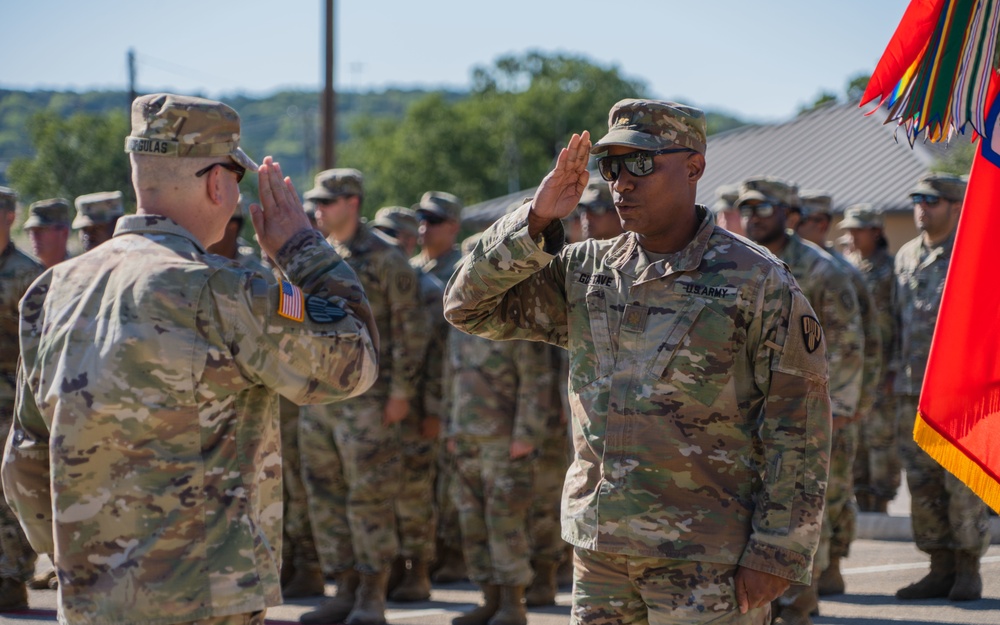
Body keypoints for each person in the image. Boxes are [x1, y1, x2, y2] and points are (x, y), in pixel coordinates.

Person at [444, 99, 832, 625]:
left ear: (693, 166)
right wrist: (535, 221)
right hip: (601, 549)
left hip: (705, 555)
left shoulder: (755, 279)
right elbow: (466, 306)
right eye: (611, 166)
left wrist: (777, 550)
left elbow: (799, 426)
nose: (621, 182)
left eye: (642, 163)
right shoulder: (586, 268)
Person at [2, 93, 379, 625]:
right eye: (237, 180)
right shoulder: (224, 291)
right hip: (204, 601)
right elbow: (355, 356)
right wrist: (302, 247)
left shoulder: (52, 289)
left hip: (90, 602)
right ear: (215, 183)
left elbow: (24, 462)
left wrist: (87, 561)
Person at [299, 169, 428, 625]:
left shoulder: (387, 260)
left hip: (370, 401)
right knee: (325, 495)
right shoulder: (321, 254)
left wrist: (401, 393)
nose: (318, 210)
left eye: (326, 202)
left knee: (369, 497)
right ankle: (344, 587)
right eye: (316, 202)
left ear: (352, 203)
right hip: (322, 400)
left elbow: (411, 332)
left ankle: (373, 593)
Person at [738, 178, 863, 625]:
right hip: (749, 411)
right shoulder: (736, 261)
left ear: (790, 216)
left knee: (800, 510)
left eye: (763, 208)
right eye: (746, 208)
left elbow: (848, 343)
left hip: (808, 410)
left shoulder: (823, 270)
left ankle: (798, 609)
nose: (753, 216)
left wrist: (842, 408)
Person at [446, 234, 558, 625]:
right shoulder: (458, 318)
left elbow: (536, 380)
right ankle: (489, 597)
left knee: (505, 521)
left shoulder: (516, 315)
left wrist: (526, 435)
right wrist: (451, 426)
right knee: (471, 520)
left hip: (504, 440)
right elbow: (452, 376)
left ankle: (513, 603)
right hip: (467, 437)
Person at [892, 174, 989, 602]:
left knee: (961, 484)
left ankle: (968, 567)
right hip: (912, 390)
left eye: (931, 200)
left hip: (963, 394)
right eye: (916, 199)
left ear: (955, 206)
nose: (921, 207)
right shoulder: (905, 256)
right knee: (922, 483)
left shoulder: (977, 254)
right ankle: (939, 567)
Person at [795, 191, 882, 597]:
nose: (804, 226)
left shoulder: (838, 271)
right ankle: (815, 571)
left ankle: (830, 566)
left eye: (812, 218)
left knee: (833, 492)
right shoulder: (789, 264)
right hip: (800, 405)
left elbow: (867, 342)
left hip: (835, 405)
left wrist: (853, 405)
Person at [372, 204, 446, 601]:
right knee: (380, 491)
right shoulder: (377, 282)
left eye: (392, 235)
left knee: (414, 493)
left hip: (416, 410)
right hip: (377, 409)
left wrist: (433, 410)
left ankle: (416, 571)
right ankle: (388, 569)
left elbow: (437, 359)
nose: (385, 242)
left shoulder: (427, 289)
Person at [410, 191, 468, 584]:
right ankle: (426, 557)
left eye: (433, 220)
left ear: (453, 226)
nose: (424, 227)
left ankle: (451, 556)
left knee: (450, 483)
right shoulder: (413, 268)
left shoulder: (462, 270)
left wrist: (436, 407)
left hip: (452, 394)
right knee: (419, 483)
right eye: (422, 219)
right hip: (414, 390)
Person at [837, 204, 899, 514]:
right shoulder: (846, 267)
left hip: (882, 369)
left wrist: (894, 369)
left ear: (876, 232)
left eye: (857, 230)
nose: (851, 235)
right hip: (852, 370)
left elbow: (902, 320)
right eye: (849, 230)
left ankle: (881, 498)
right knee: (856, 438)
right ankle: (861, 497)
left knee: (881, 438)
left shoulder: (892, 269)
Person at [0, 186, 43, 611]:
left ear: (10, 217)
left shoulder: (28, 275)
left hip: (13, 400)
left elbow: (40, 345)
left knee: (12, 489)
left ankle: (12, 576)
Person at [24, 198, 71, 267]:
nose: (34, 236)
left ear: (64, 233)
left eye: (41, 229)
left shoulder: (78, 272)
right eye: (31, 230)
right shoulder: (23, 273)